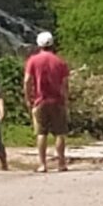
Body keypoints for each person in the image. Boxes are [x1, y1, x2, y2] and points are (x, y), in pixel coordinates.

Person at [24, 31, 70, 173]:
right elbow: (65, 84)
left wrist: (28, 98)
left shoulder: (32, 60)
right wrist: (66, 100)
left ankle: (43, 164)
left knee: (41, 133)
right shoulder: (60, 61)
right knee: (59, 133)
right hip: (57, 100)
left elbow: (27, 81)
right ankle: (61, 163)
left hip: (40, 100)